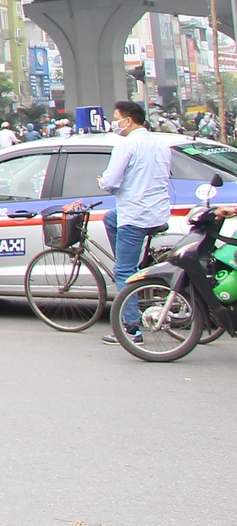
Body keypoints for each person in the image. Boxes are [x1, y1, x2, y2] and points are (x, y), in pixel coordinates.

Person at [97, 100, 173, 346]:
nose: (114, 122)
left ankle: (131, 329)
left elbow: (110, 182)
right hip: (157, 213)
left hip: (135, 215)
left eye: (116, 117)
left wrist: (102, 181)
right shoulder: (161, 144)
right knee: (110, 218)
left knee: (123, 271)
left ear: (128, 120)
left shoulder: (126, 145)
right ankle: (129, 264)